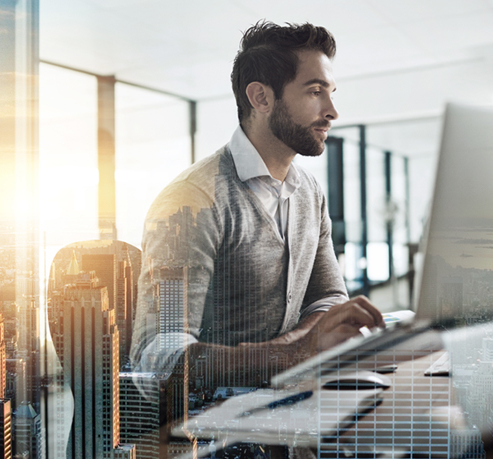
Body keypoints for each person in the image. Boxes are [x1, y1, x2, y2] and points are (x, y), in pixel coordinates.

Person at [130, 21, 384, 390]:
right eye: (315, 92)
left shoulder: (309, 192)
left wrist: (293, 349)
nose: (332, 111)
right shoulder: (190, 202)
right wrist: (295, 354)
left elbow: (328, 299)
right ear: (261, 98)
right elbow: (158, 360)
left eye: (330, 92)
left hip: (290, 409)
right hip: (213, 431)